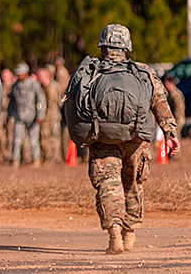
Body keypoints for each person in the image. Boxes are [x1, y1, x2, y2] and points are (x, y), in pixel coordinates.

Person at [83, 24, 179, 254]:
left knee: (109, 183)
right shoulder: (143, 72)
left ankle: (114, 234)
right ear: (127, 47)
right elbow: (160, 103)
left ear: (103, 46)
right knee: (133, 184)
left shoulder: (92, 71)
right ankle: (130, 233)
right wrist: (170, 133)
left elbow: (75, 107)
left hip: (103, 138)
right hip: (136, 140)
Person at [8, 63, 46, 168]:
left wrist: (40, 115)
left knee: (34, 140)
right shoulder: (15, 86)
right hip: (19, 116)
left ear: (26, 73)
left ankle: (36, 160)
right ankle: (15, 160)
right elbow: (11, 101)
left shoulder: (34, 85)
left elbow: (40, 100)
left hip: (32, 117)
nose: (19, 76)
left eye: (21, 74)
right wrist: (11, 114)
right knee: (16, 140)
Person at [37, 67, 62, 164]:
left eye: (41, 76)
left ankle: (53, 158)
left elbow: (52, 104)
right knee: (45, 137)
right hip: (47, 117)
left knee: (53, 138)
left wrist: (45, 116)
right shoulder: (42, 87)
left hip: (52, 117)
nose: (39, 78)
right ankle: (47, 157)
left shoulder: (52, 87)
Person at [163, 75, 185, 139]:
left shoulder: (175, 95)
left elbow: (178, 110)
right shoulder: (170, 94)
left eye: (167, 83)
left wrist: (175, 122)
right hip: (175, 120)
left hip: (177, 120)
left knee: (175, 138)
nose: (165, 85)